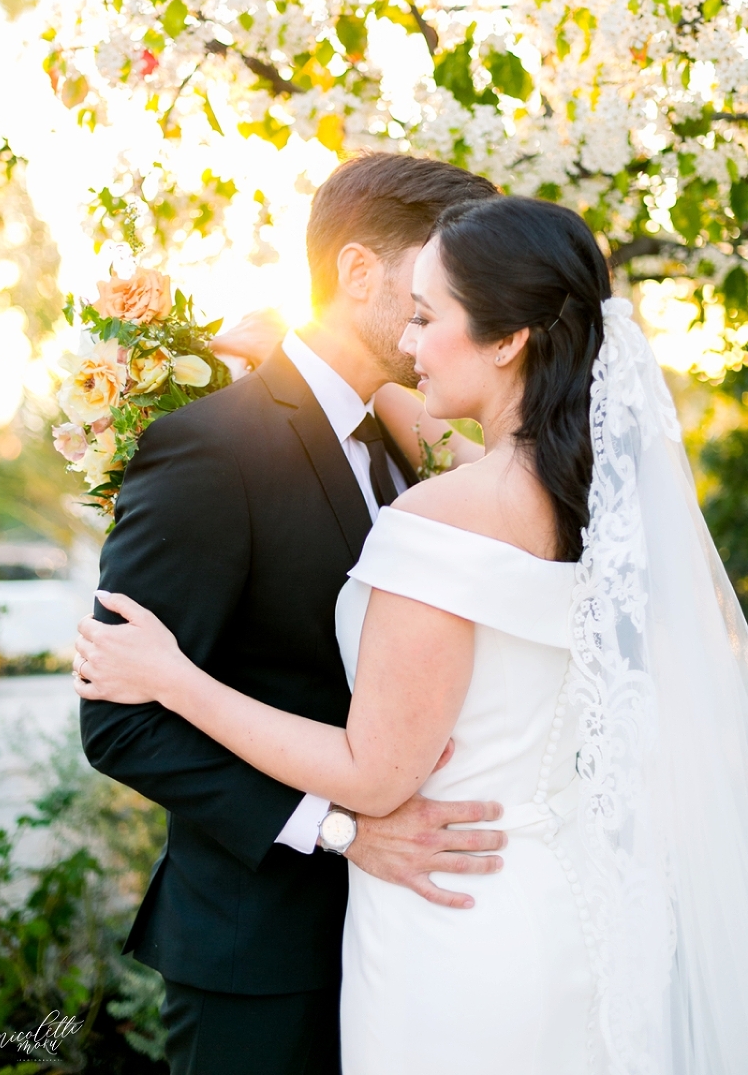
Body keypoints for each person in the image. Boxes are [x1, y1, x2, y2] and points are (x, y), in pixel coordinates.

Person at [76, 194, 748, 1074]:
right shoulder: (593, 500)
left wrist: (173, 678)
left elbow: (374, 773)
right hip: (552, 906)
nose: (409, 340)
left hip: (449, 930)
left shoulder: (439, 513)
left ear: (508, 339)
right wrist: (280, 352)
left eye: (429, 317)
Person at [77, 151, 504, 1075]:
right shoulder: (211, 447)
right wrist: (341, 830)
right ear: (359, 272)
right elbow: (119, 724)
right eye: (442, 271)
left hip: (403, 946)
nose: (460, 300)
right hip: (258, 954)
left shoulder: (406, 443)